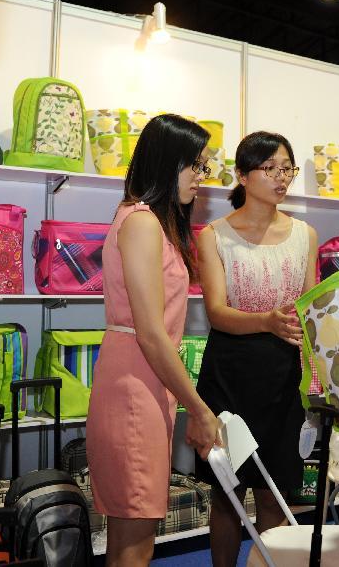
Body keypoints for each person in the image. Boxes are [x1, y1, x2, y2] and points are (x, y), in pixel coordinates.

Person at [86, 114, 222, 567]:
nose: (201, 178)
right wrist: (198, 408)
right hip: (135, 382)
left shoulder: (143, 221)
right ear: (168, 163)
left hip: (141, 378)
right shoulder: (142, 222)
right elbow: (150, 331)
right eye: (196, 166)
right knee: (135, 536)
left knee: (132, 532)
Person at [194, 131, 318, 567]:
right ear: (243, 176)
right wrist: (266, 321)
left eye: (288, 168)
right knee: (227, 494)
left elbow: (310, 308)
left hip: (285, 374)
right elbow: (216, 313)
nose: (282, 177)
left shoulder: (305, 234)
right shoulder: (214, 235)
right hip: (230, 372)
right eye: (270, 168)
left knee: (275, 492)